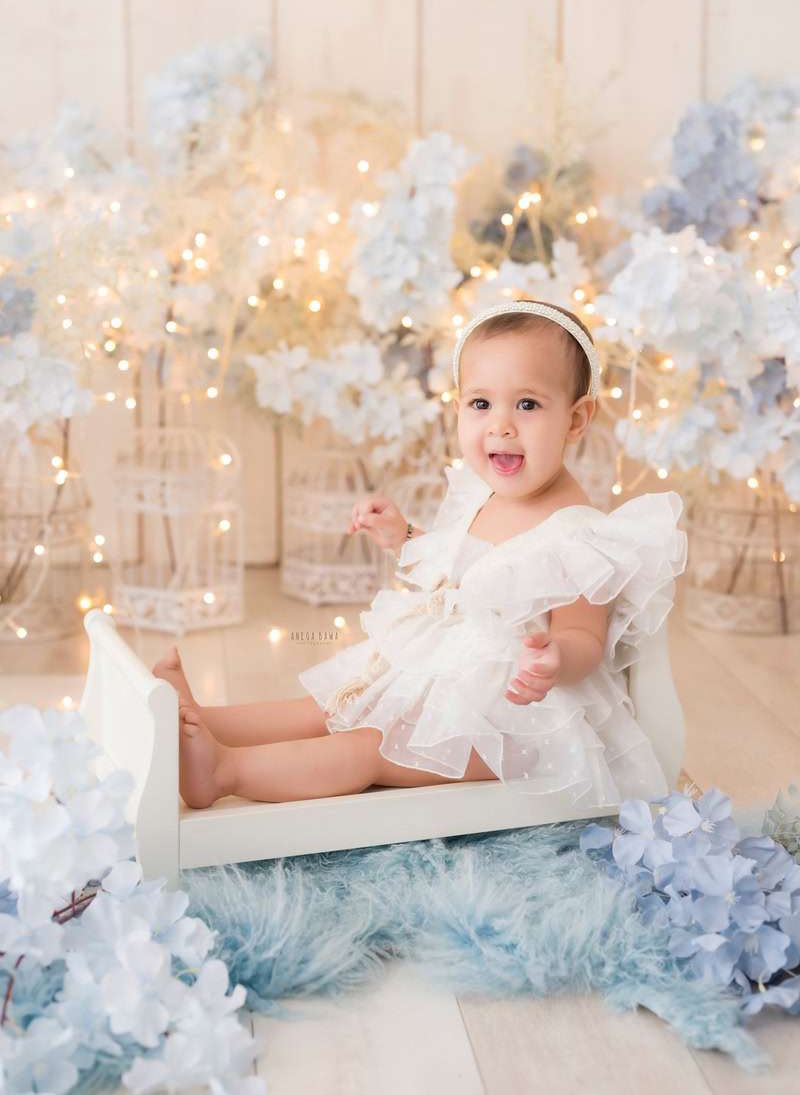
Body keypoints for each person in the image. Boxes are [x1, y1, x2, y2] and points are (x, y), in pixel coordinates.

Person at [153, 297, 688, 810]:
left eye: (527, 404)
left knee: (370, 746)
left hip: (516, 719)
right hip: (446, 670)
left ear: (575, 419)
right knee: (331, 706)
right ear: (459, 408)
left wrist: (554, 659)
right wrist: (405, 536)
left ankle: (221, 773)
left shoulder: (578, 535)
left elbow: (586, 638)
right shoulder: (485, 494)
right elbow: (466, 568)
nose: (500, 424)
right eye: (482, 404)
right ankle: (195, 723)